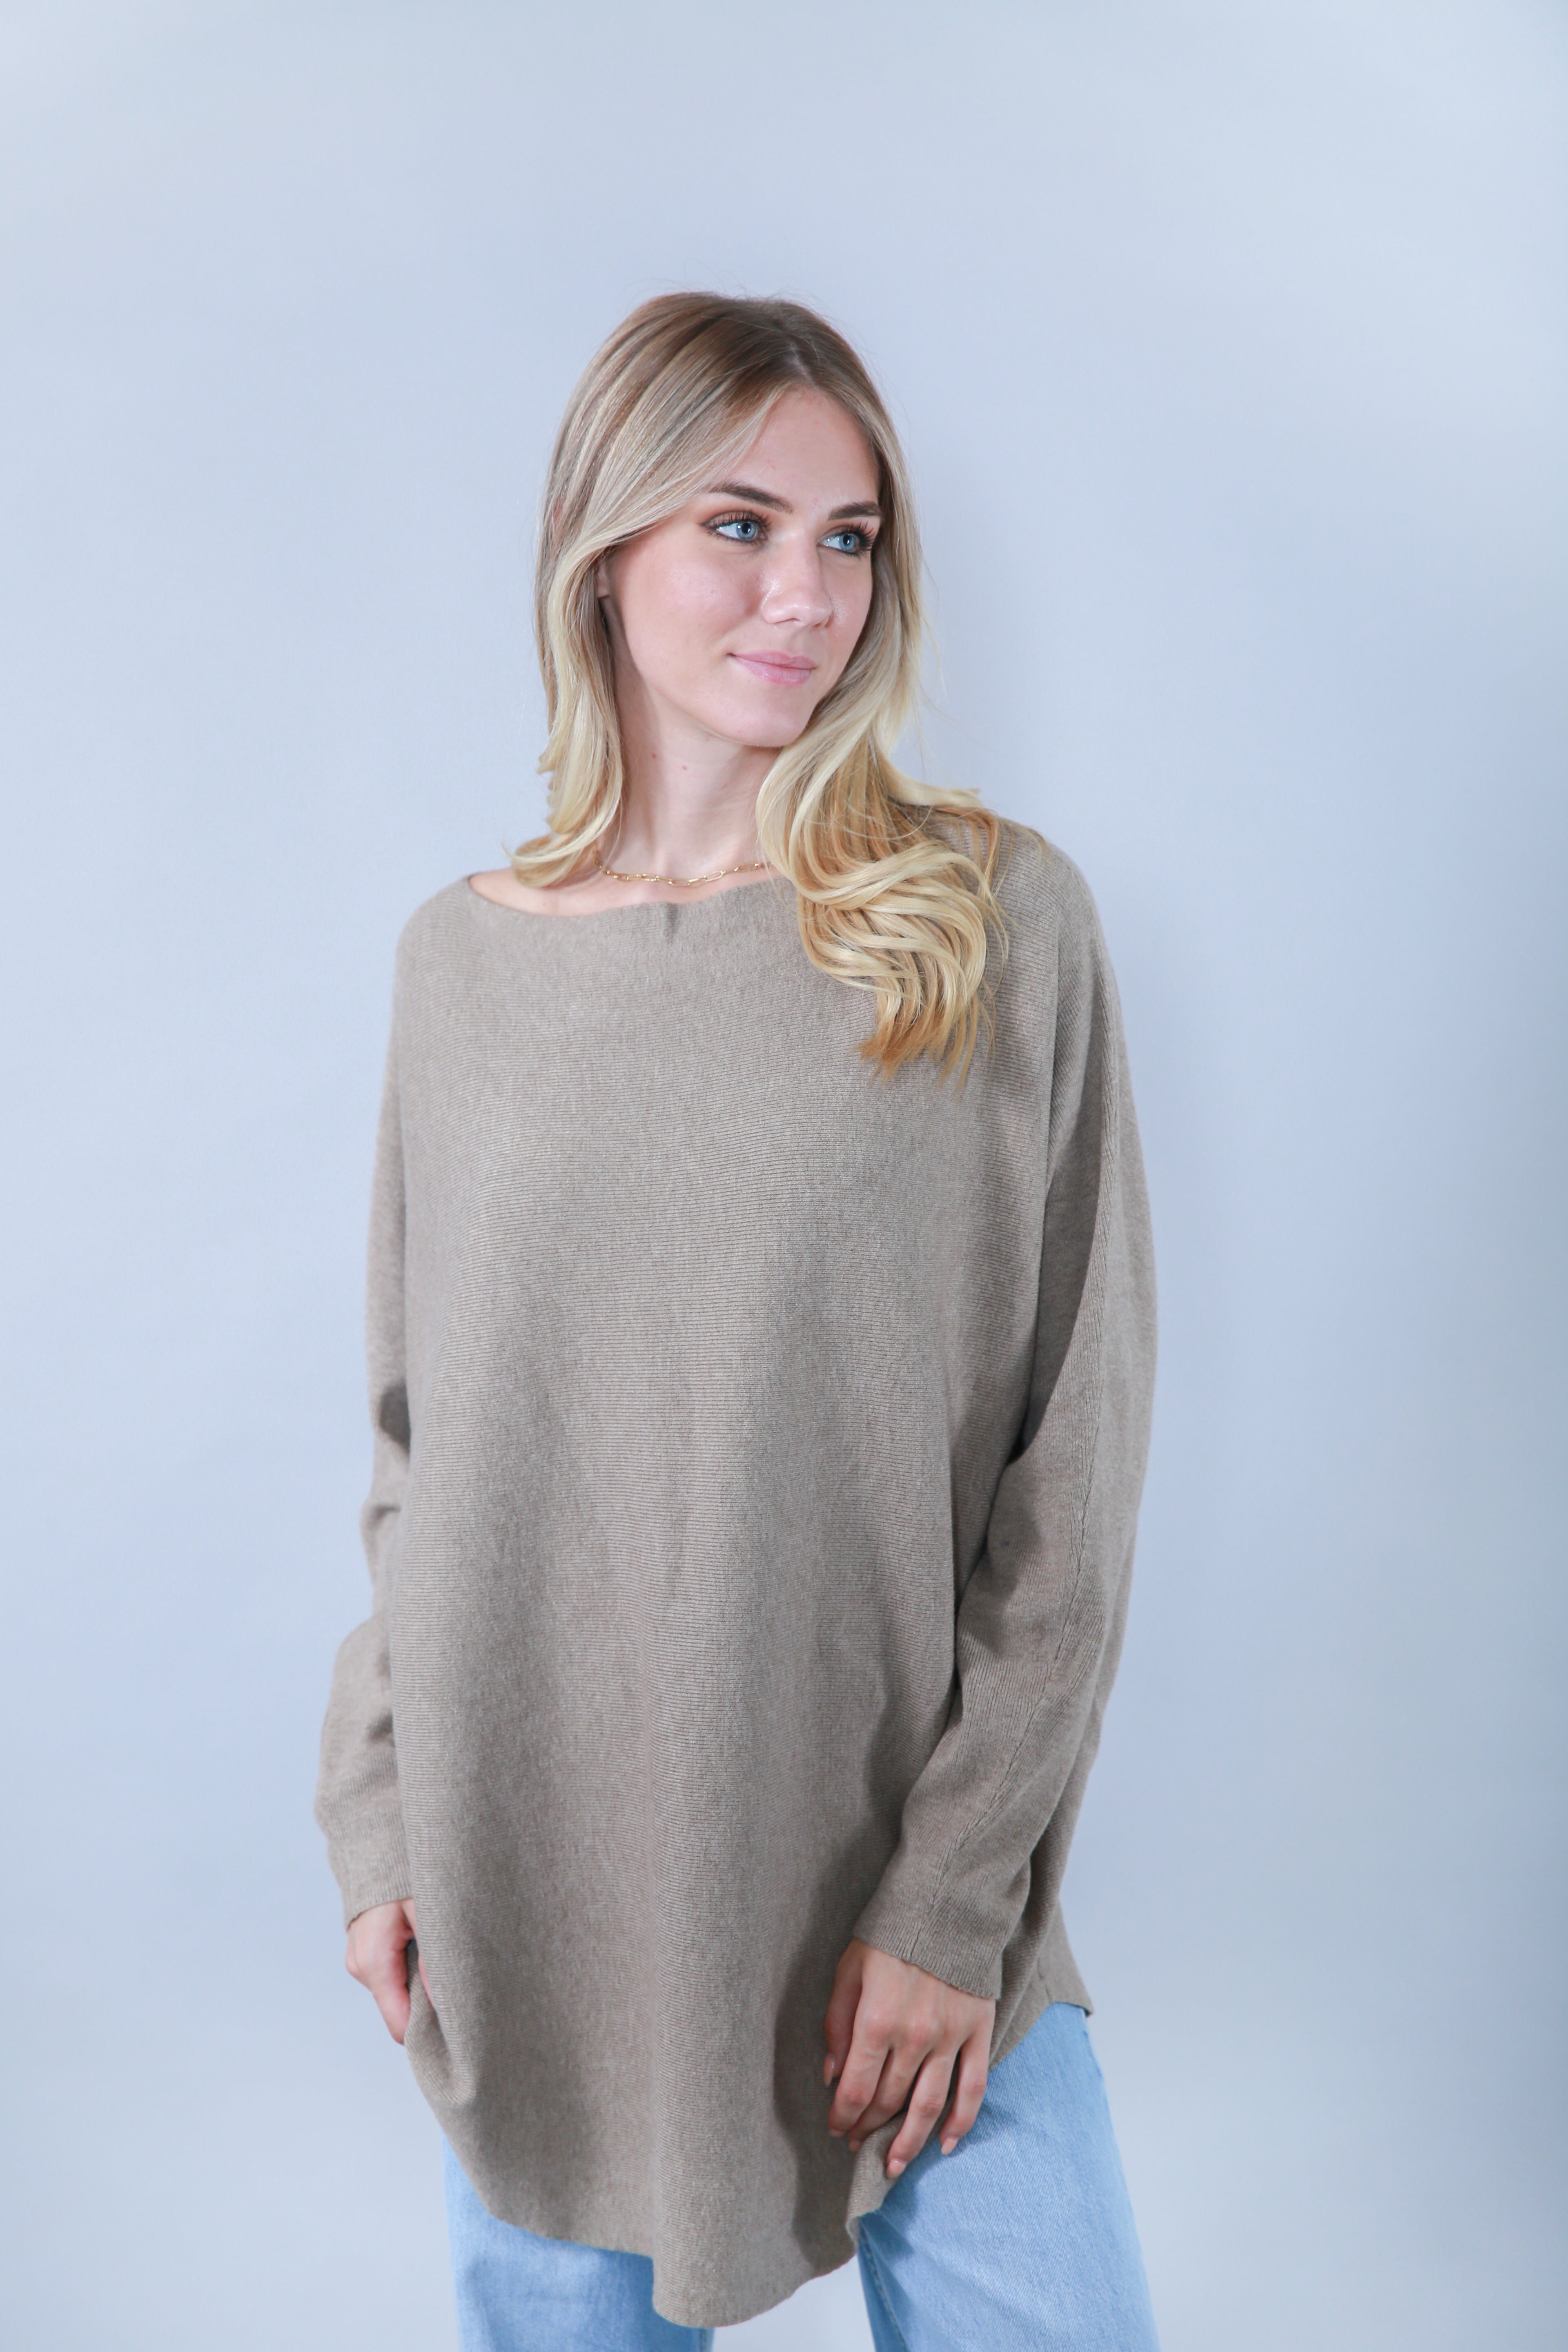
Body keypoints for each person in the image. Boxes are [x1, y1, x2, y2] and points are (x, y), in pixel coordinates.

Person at [316, 292, 1160, 2351]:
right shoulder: (460, 966)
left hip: (902, 1894)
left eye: (850, 538)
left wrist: (955, 1897)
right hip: (538, 1895)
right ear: (599, 549)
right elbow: (424, 1449)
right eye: (743, 526)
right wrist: (381, 1813)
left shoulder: (987, 922)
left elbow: (1076, 1457)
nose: (809, 595)